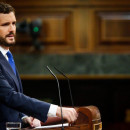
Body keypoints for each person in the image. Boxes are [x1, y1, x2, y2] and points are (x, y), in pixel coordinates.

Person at [0, 2, 78, 130]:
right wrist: (56, 110)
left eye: (13, 23)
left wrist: (25, 117)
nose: (12, 29)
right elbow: (9, 96)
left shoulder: (7, 56)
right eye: (5, 25)